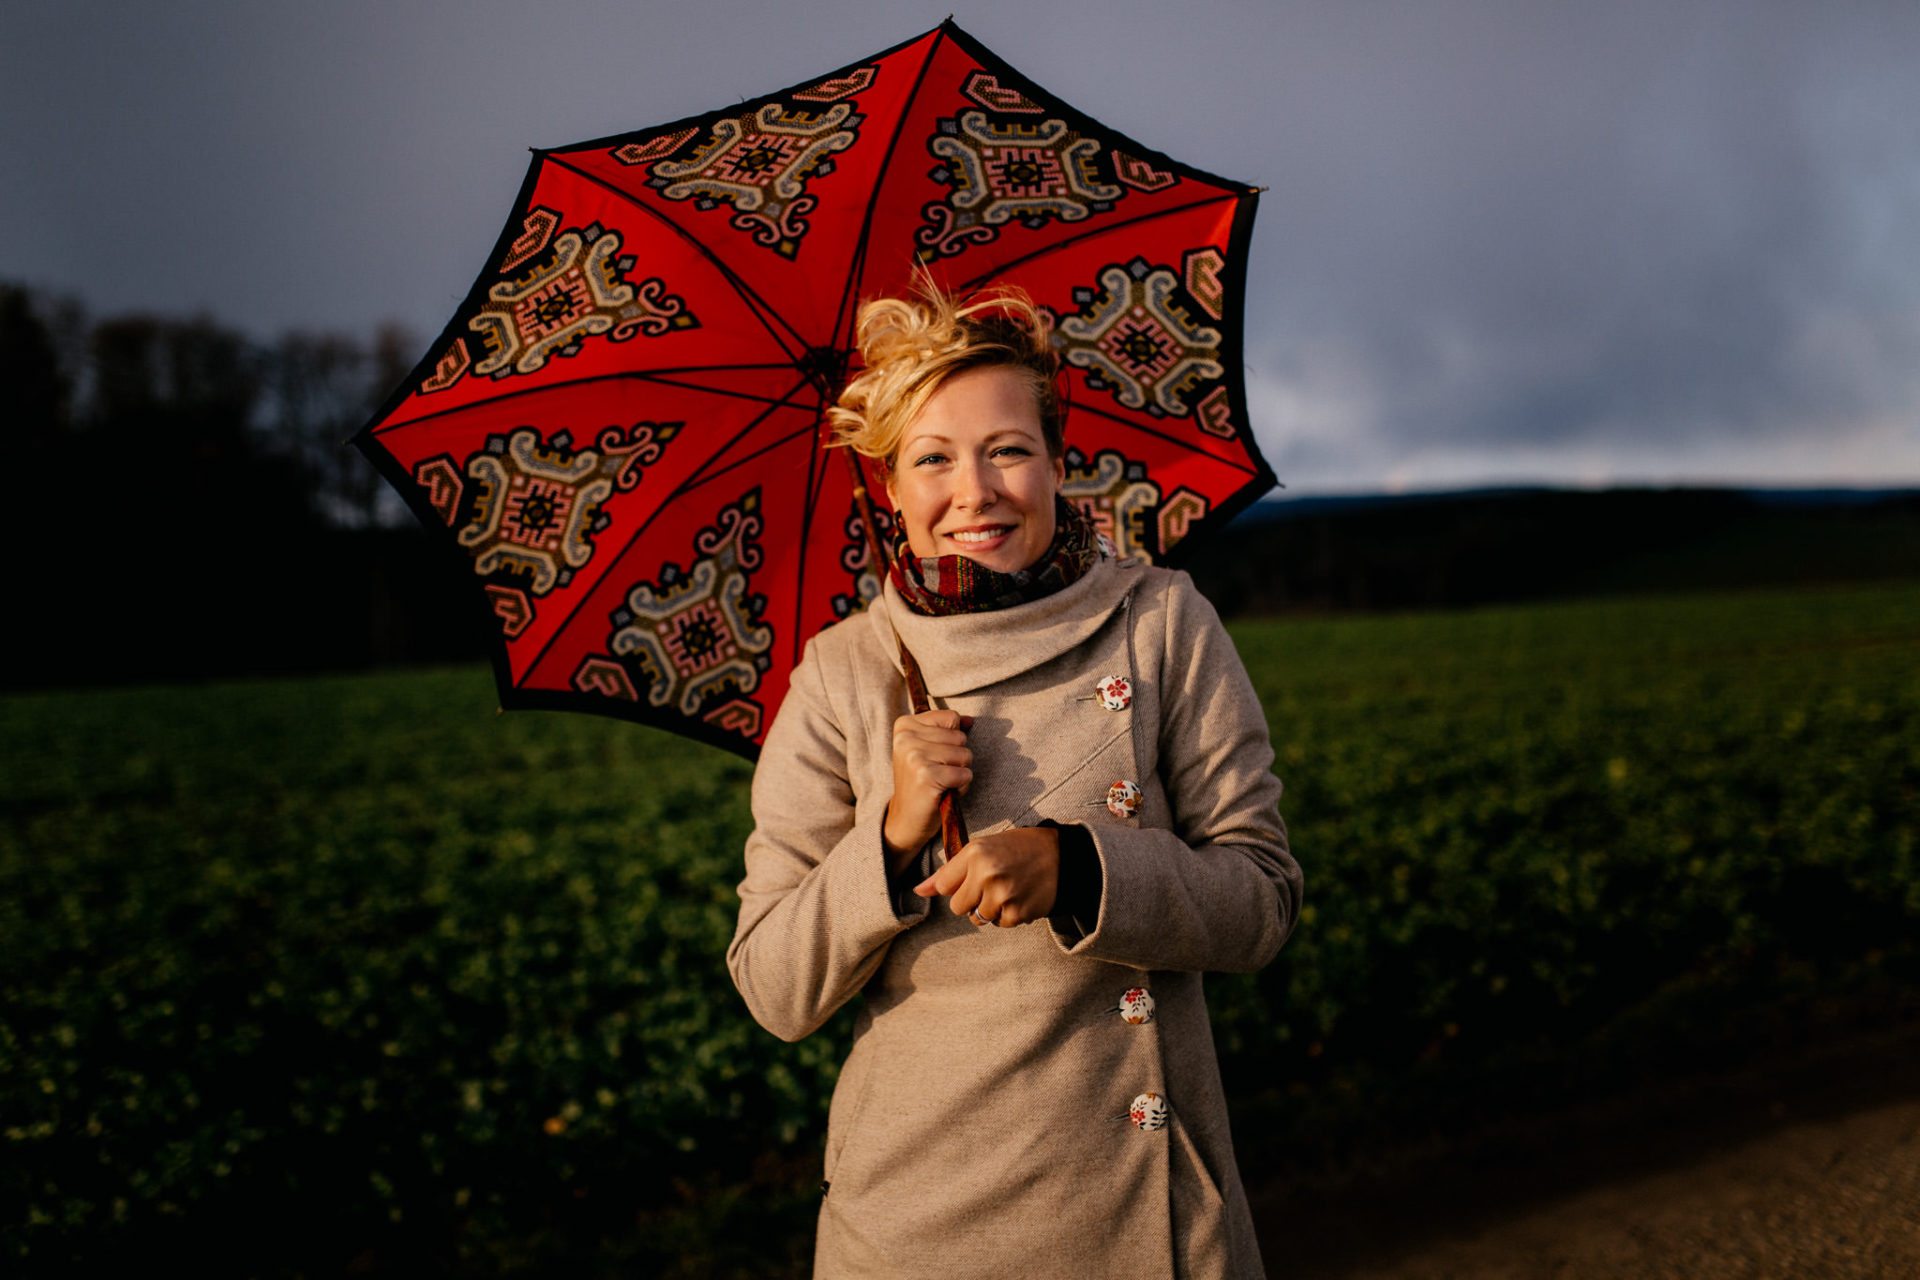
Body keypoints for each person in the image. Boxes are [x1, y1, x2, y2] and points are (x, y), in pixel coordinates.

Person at [726, 282, 1301, 1279]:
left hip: (1144, 1212)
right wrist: (894, 836)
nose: (977, 491)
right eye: (933, 458)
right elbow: (773, 985)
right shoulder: (839, 676)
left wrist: (1078, 868)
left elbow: (1261, 899)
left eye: (1008, 449)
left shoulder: (1160, 622)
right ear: (890, 485)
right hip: (909, 1227)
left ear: (1055, 458)